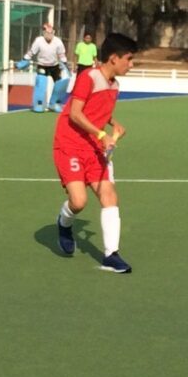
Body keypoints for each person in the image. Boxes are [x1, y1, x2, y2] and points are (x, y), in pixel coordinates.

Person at [53, 33, 138, 273]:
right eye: (129, 59)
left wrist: (113, 123)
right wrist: (102, 135)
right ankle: (64, 222)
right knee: (79, 202)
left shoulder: (115, 86)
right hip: (69, 143)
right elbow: (75, 113)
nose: (131, 65)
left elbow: (97, 108)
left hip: (93, 146)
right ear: (113, 58)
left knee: (109, 195)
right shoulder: (88, 77)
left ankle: (111, 254)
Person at [16, 23, 70, 112]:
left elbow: (62, 54)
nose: (49, 35)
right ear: (43, 32)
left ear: (53, 32)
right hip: (42, 66)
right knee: (41, 83)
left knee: (61, 83)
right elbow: (31, 52)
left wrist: (64, 63)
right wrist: (24, 61)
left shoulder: (58, 41)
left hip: (54, 66)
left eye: (51, 32)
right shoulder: (38, 41)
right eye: (47, 32)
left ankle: (55, 103)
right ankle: (38, 104)